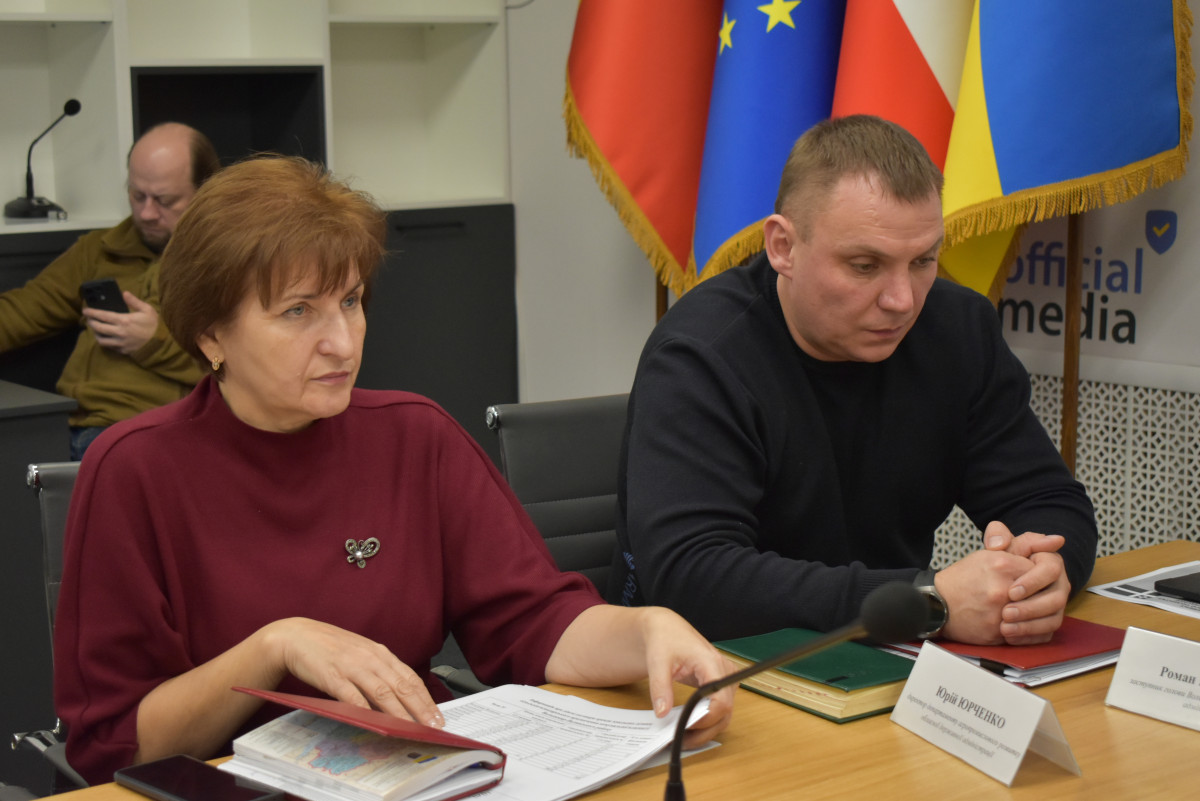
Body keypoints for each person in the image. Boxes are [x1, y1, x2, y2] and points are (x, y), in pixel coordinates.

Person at [53, 155, 733, 785]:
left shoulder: (414, 435)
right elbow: (115, 742)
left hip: (416, 779)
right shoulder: (134, 470)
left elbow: (534, 621)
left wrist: (644, 630)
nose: (342, 342)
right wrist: (274, 647)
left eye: (350, 302)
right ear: (211, 335)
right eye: (298, 311)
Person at [609, 115, 1098, 647]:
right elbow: (693, 579)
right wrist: (922, 601)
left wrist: (1041, 574)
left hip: (886, 652)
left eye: (923, 260)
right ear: (783, 247)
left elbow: (1050, 500)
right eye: (865, 265)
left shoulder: (958, 330)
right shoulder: (701, 356)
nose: (902, 300)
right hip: (713, 665)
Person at [0, 122, 219, 459]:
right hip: (67, 426)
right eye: (137, 195)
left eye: (164, 200)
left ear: (204, 192)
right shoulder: (99, 249)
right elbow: (20, 313)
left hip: (153, 434)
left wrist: (154, 341)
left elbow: (237, 366)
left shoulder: (223, 262)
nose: (146, 213)